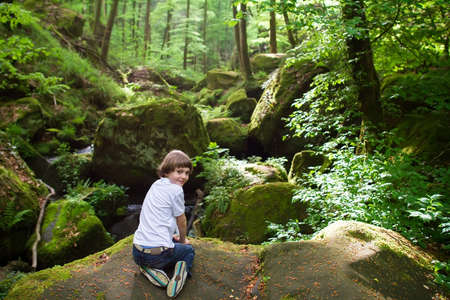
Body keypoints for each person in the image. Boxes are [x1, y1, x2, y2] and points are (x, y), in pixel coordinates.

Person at [132, 150, 195, 298]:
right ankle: (178, 276)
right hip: (159, 255)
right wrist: (182, 240)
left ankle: (148, 269)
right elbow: (181, 220)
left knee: (166, 243)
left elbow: (160, 217)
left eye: (187, 173)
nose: (184, 177)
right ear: (166, 171)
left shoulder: (156, 184)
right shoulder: (176, 190)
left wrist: (170, 236)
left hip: (137, 251)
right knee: (188, 251)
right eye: (179, 172)